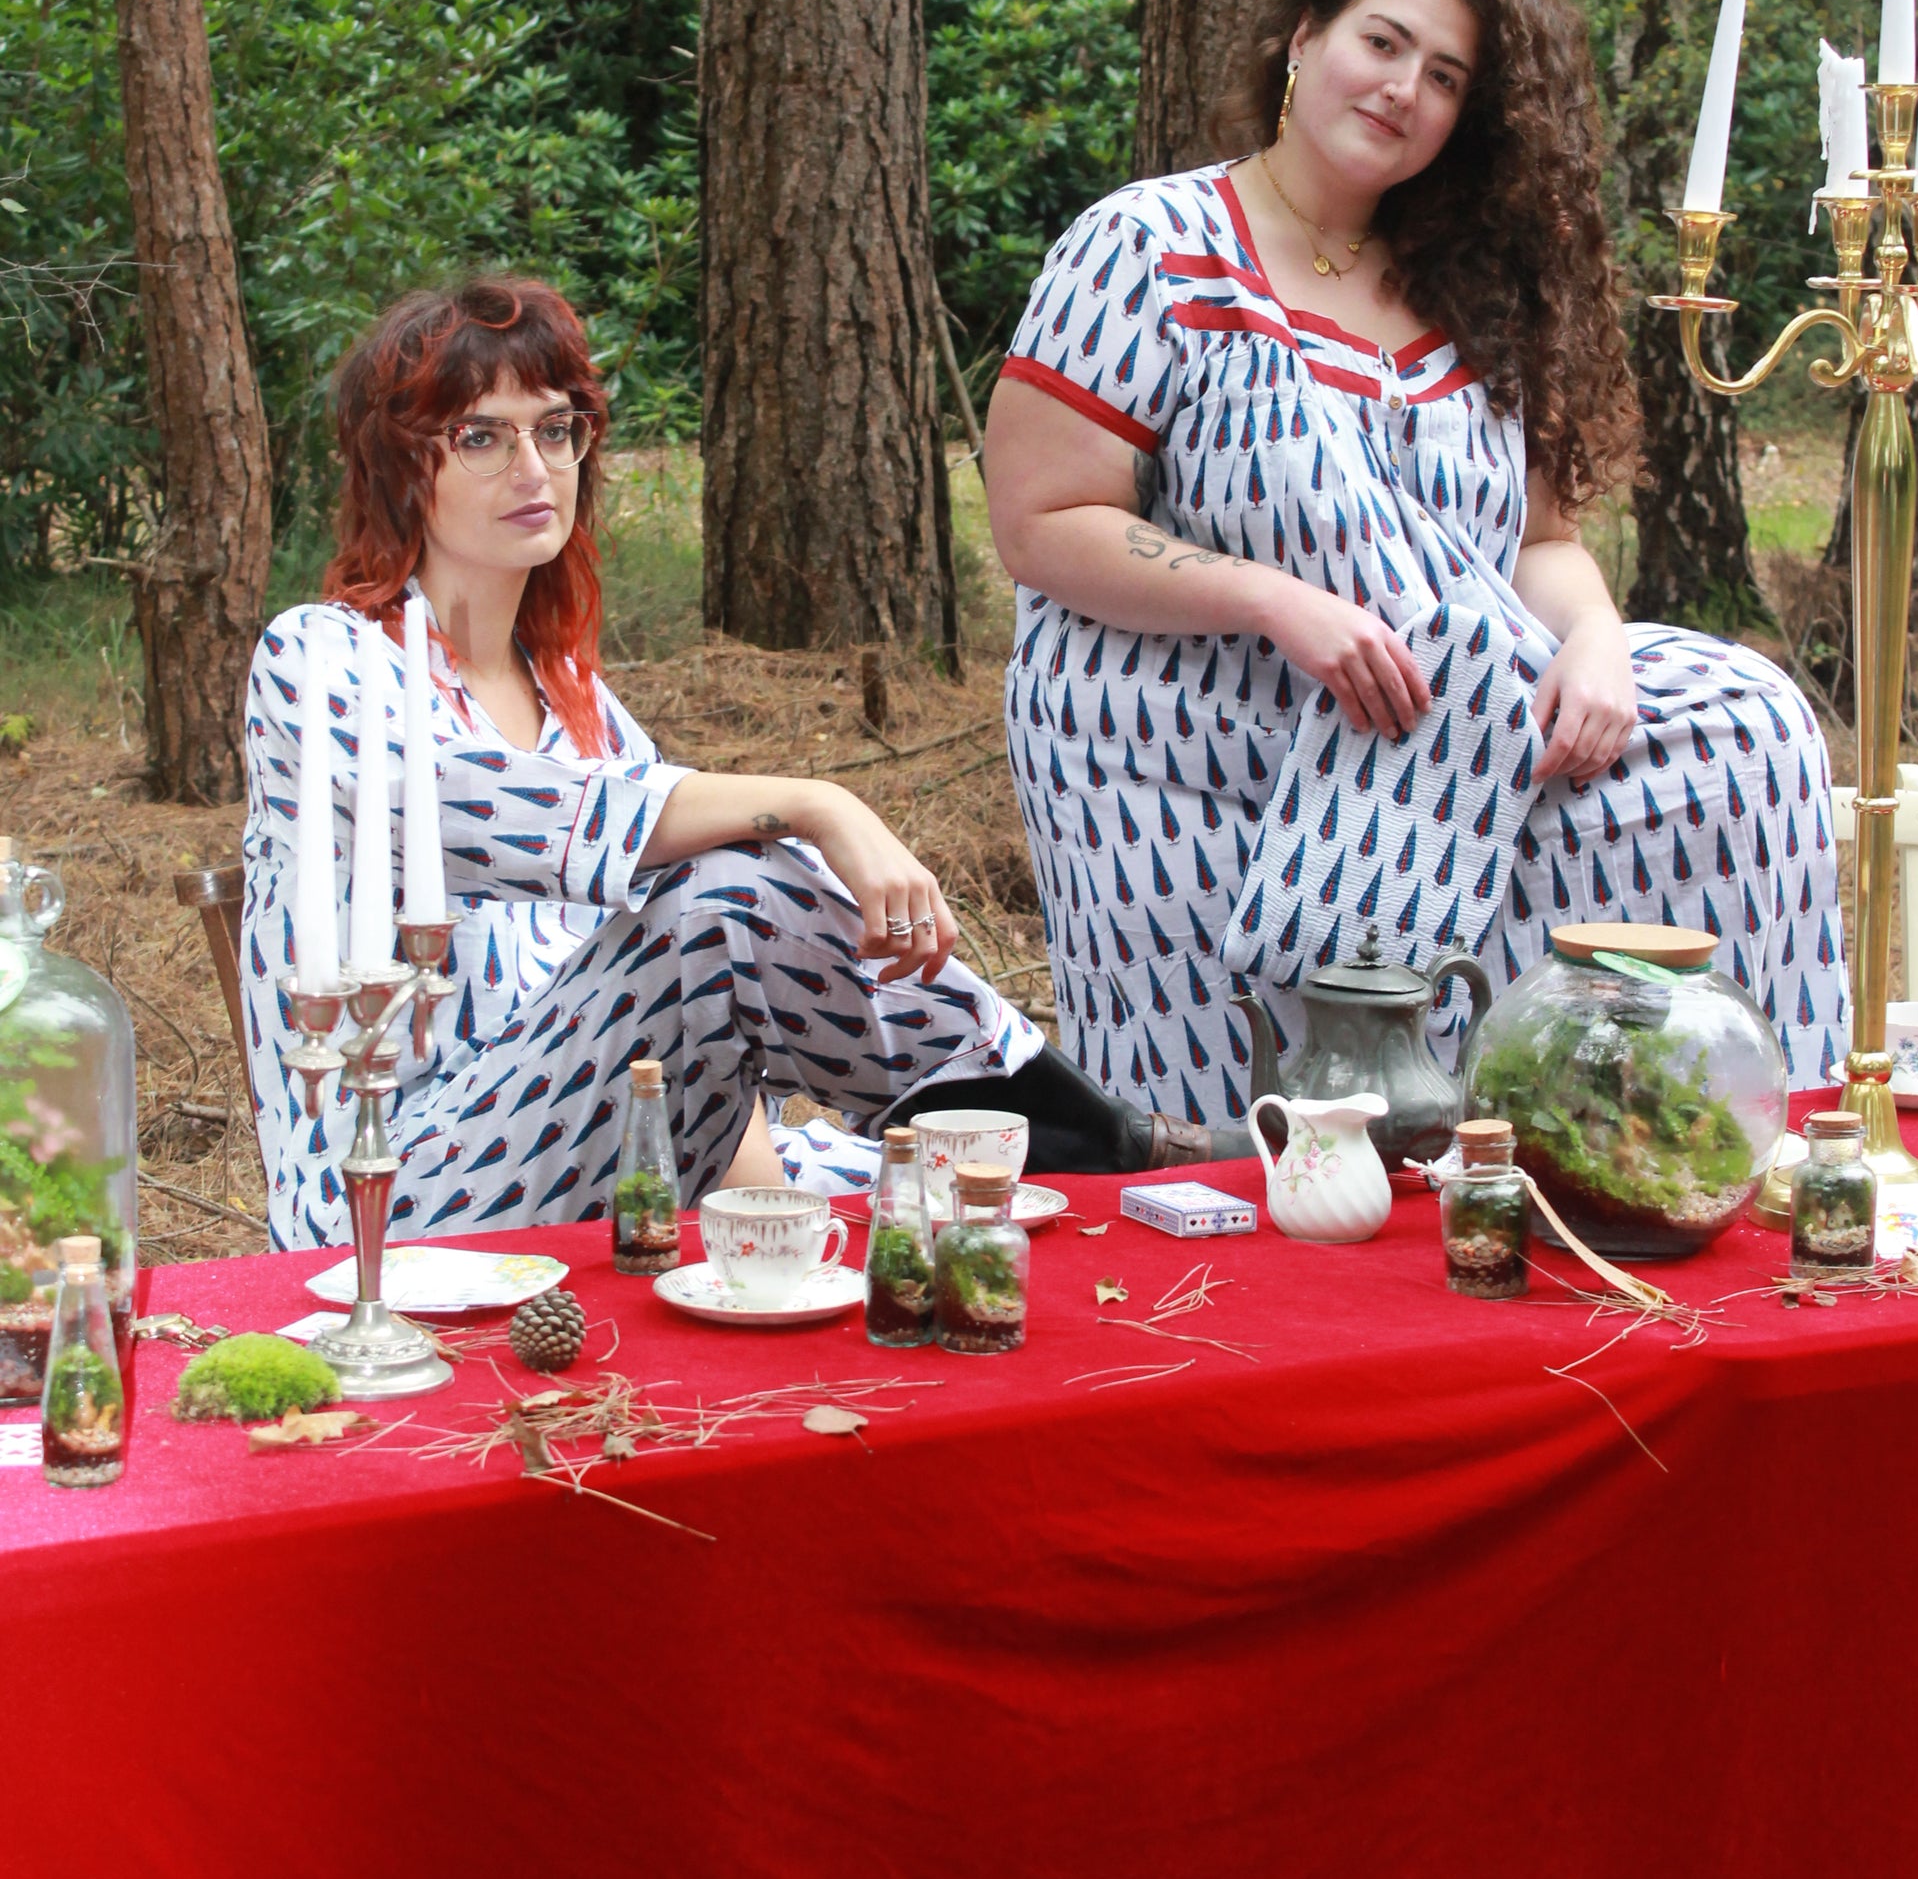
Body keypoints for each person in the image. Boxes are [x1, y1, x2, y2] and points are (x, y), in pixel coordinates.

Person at [984, 0, 1848, 1125]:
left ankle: (1747, 1138)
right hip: (1184, 734)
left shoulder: (1471, 288)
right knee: (1238, 1147)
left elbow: (1538, 543)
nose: (1401, 89)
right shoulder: (1152, 245)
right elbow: (1039, 519)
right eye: (1381, 43)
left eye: (1443, 77)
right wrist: (1274, 602)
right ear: (1303, 39)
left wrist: (1594, 642)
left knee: (1744, 724)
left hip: (1443, 736)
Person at [242, 279, 1202, 1252]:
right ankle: (1081, 1133)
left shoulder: (577, 706)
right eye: (481, 436)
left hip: (600, 1150)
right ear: (400, 465)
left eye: (555, 429)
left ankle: (1076, 1144)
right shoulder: (319, 657)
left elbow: (676, 1001)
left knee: (935, 1183)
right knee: (730, 890)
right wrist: (820, 804)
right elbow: (507, 813)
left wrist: (766, 1213)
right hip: (388, 1192)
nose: (533, 467)